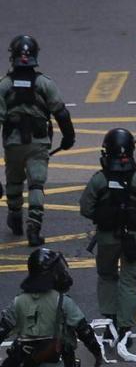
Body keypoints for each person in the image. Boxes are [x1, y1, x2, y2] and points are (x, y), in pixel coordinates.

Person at [78, 127, 136, 361]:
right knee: (129, 282)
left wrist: (105, 215)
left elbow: (86, 208)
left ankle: (110, 321)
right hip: (134, 237)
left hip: (107, 238)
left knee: (107, 276)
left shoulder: (99, 179)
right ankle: (125, 328)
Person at [0, 35, 75, 246]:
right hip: (38, 142)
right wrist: (68, 137)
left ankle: (15, 216)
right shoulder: (44, 83)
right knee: (36, 184)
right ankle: (34, 226)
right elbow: (61, 113)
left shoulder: (4, 85)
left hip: (13, 143)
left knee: (14, 181)